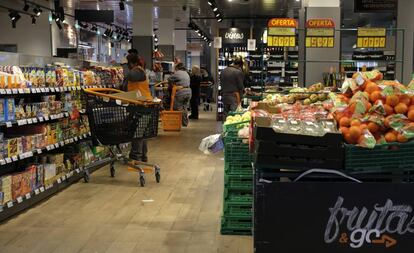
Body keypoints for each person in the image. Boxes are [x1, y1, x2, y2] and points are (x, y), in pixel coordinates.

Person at [126, 53, 151, 162]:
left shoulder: (137, 71)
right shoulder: (140, 70)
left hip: (140, 104)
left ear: (132, 63)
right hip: (143, 103)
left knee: (138, 131)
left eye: (128, 63)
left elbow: (130, 76)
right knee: (142, 131)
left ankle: (136, 155)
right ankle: (142, 155)